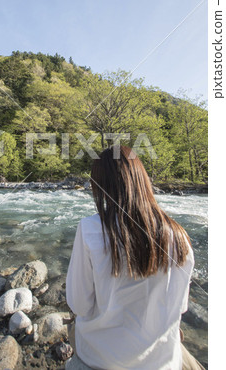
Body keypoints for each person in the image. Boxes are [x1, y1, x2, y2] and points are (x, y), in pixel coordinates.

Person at [66, 146, 205, 370]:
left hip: (100, 358)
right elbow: (178, 308)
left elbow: (79, 305)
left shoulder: (90, 229)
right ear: (142, 180)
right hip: (162, 362)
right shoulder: (179, 237)